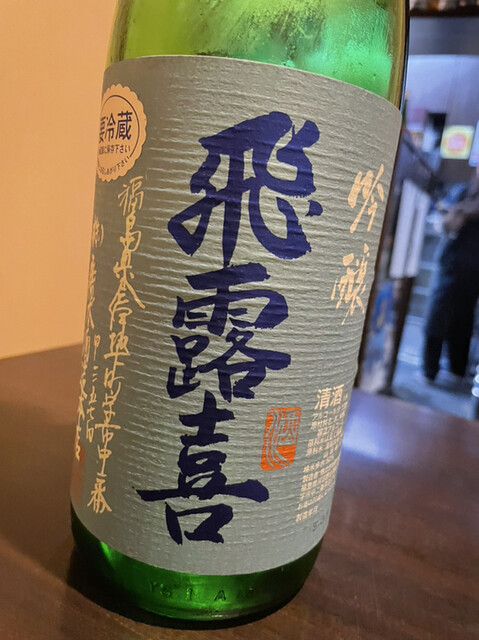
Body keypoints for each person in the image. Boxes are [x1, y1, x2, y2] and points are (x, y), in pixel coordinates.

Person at [421, 167, 479, 384]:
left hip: (472, 271)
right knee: (439, 315)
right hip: (452, 263)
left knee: (462, 319)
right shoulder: (463, 191)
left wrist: (460, 212)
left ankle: (455, 370)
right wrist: (457, 213)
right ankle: (430, 370)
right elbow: (444, 223)